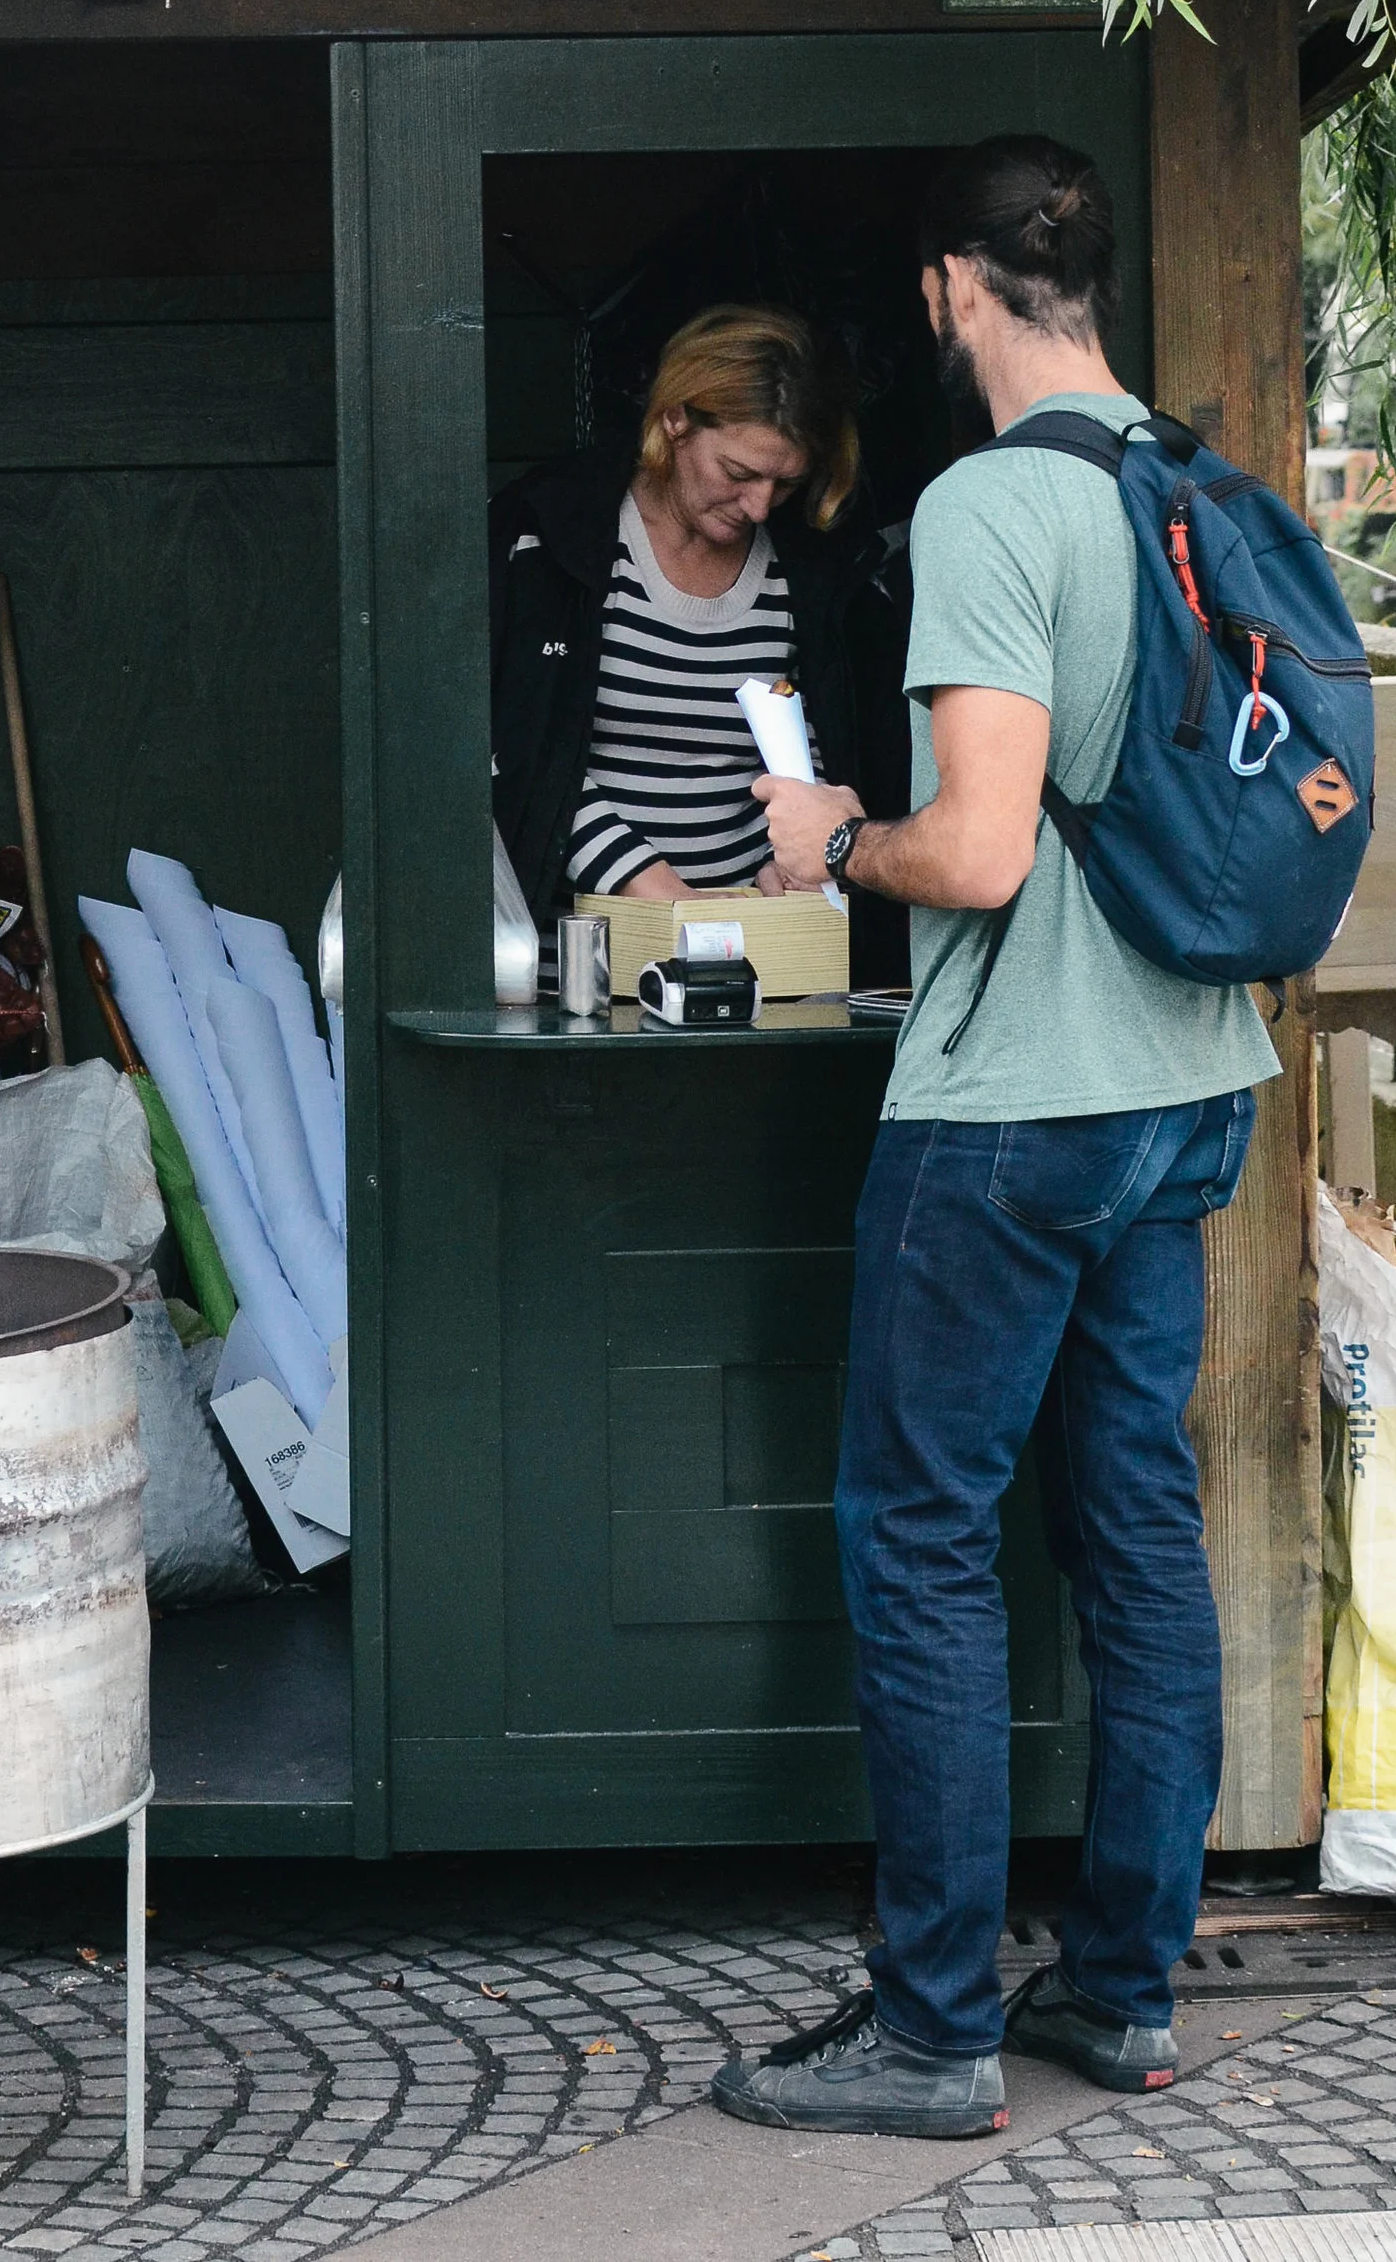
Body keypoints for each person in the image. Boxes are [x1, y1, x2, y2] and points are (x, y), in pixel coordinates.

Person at [711, 138, 1281, 2143]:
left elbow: (974, 850)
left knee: (923, 1539)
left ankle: (934, 2027)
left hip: (1014, 1110)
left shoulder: (991, 502)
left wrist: (828, 837)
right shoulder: (1194, 486)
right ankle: (1119, 1990)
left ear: (954, 287)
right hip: (1182, 1085)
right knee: (1134, 1533)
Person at [489, 304, 912, 970]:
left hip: (752, 964)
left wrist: (789, 859)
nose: (760, 505)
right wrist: (656, 888)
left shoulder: (810, 568)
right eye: (739, 473)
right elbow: (526, 750)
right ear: (675, 420)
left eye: (786, 482)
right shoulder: (553, 539)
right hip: (574, 974)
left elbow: (813, 739)